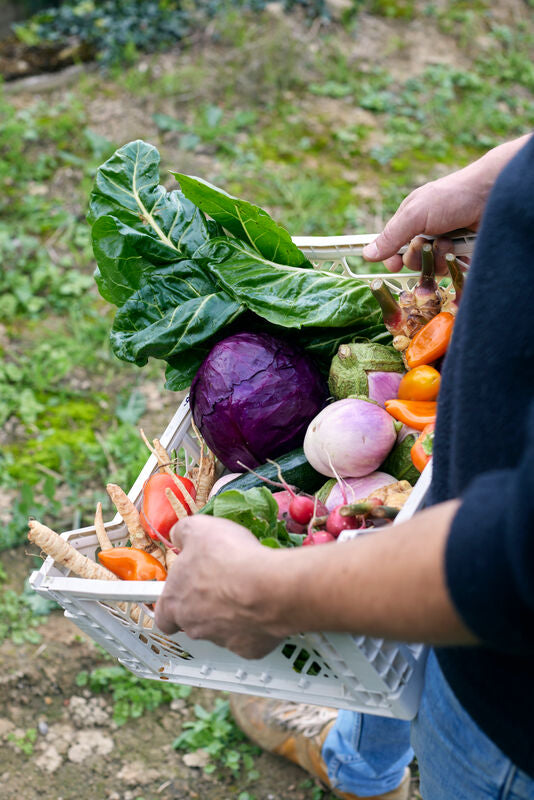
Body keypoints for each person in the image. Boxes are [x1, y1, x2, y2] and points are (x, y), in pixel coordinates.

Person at [155, 132, 534, 799]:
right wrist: (503, 179)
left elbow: (512, 559)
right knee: (390, 540)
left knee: (455, 716)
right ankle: (359, 767)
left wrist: (266, 591)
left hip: (511, 717)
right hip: (457, 488)